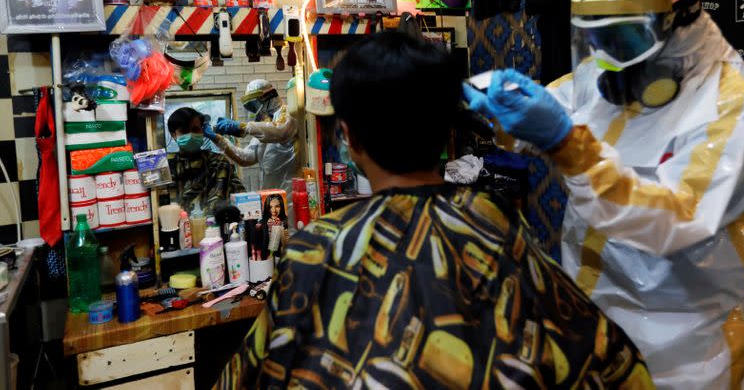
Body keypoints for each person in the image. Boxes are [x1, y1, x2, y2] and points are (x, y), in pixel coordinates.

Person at [215, 32, 653, 388]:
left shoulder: (314, 249)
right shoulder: (496, 224)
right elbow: (616, 366)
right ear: (447, 134)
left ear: (349, 138)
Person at [465, 0, 744, 389]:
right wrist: (499, 105)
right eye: (599, 36)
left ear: (682, 18)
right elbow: (551, 113)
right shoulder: (609, 75)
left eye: (625, 36)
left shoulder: (743, 107)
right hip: (593, 320)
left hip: (687, 347)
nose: (608, 56)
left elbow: (676, 219)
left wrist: (567, 145)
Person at [212, 80, 298, 197]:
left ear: (267, 97)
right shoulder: (264, 126)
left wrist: (244, 127)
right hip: (271, 193)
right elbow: (245, 157)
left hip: (291, 193)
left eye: (254, 104)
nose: (253, 110)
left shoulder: (287, 113)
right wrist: (218, 140)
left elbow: (280, 131)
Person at [167, 107, 245, 212]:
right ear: (173, 135)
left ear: (202, 132)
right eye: (184, 131)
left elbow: (243, 199)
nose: (190, 135)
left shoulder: (219, 163)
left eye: (195, 130)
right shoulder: (166, 166)